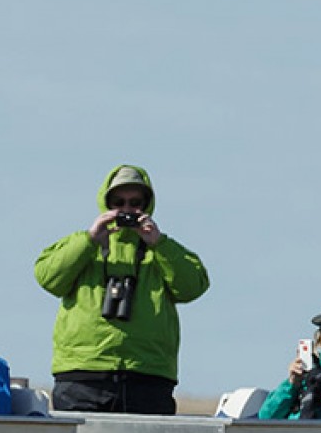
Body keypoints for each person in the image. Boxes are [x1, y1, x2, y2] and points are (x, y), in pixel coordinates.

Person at [33, 163, 209, 414]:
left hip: (148, 376)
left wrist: (159, 243)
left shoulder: (160, 251)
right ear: (106, 204)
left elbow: (193, 286)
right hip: (83, 376)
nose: (127, 210)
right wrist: (90, 240)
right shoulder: (84, 245)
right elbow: (47, 277)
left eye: (135, 203)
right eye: (118, 203)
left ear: (147, 205)